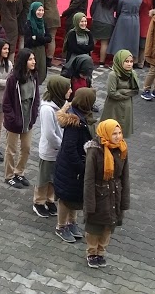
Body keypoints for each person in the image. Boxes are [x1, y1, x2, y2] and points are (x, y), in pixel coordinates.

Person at [82, 118, 130, 269]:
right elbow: (88, 179)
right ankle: (92, 252)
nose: (117, 136)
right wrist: (89, 204)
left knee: (109, 226)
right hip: (99, 193)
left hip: (114, 193)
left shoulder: (122, 149)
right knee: (94, 227)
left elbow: (125, 177)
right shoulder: (94, 151)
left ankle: (101, 252)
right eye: (114, 133)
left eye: (119, 133)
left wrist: (124, 200)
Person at [53, 87, 95, 243]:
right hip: (70, 169)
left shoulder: (81, 116)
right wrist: (81, 166)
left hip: (76, 168)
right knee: (66, 198)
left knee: (75, 197)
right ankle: (61, 226)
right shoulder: (74, 122)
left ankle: (72, 223)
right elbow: (70, 149)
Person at [2, 48, 40, 189]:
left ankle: (19, 172)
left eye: (34, 59)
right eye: (30, 59)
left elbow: (36, 98)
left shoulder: (34, 76)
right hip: (15, 118)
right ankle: (9, 175)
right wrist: (12, 119)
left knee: (26, 147)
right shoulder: (13, 79)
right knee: (11, 149)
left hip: (28, 117)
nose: (33, 61)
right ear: (23, 61)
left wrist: (34, 114)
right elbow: (6, 102)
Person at [33, 75, 70, 218]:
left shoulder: (62, 103)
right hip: (50, 150)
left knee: (54, 177)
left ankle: (49, 199)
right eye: (68, 88)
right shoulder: (47, 109)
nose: (71, 91)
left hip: (59, 150)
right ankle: (38, 202)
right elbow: (49, 134)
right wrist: (61, 147)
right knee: (44, 177)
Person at [102, 50, 138, 135]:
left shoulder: (132, 73)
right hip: (114, 107)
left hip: (126, 106)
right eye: (126, 61)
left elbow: (135, 90)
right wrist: (126, 94)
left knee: (122, 131)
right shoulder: (113, 75)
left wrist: (121, 91)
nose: (129, 64)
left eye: (131, 61)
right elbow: (112, 92)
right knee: (111, 131)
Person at [22, 2, 52, 83]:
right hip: (31, 51)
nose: (41, 12)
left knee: (41, 71)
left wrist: (37, 38)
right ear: (33, 10)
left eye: (42, 10)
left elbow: (49, 38)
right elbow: (28, 41)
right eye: (39, 10)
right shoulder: (28, 23)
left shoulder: (43, 23)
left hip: (41, 51)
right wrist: (42, 39)